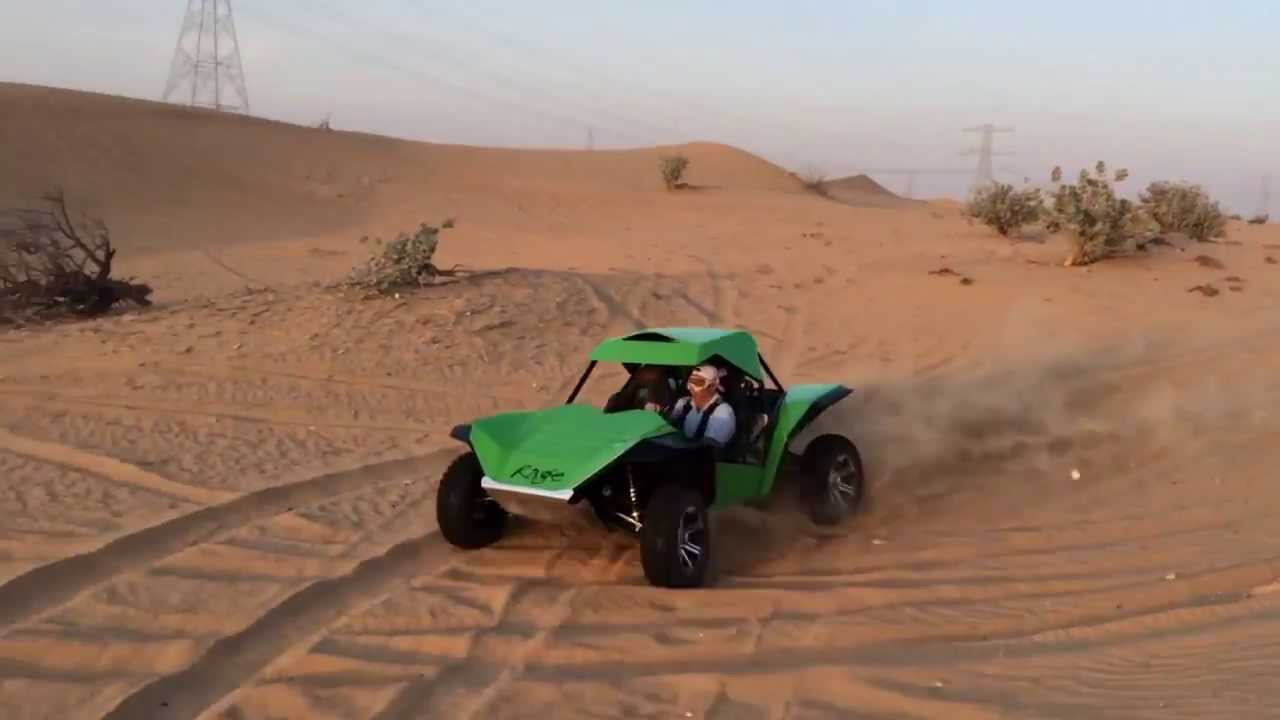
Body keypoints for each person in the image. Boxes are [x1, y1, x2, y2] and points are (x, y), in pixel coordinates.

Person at [666, 363, 736, 448]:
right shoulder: (683, 403)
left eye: (698, 382)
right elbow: (667, 428)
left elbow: (710, 447)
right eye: (690, 381)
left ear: (712, 386)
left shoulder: (723, 412)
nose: (690, 387)